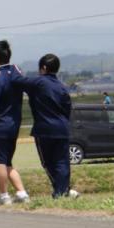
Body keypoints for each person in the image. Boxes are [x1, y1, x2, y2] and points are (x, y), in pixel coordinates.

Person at [16, 53, 76, 199]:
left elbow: (17, 81)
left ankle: (60, 192)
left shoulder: (38, 83)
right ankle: (63, 191)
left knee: (48, 162)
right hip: (62, 129)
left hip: (44, 130)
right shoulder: (62, 87)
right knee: (62, 163)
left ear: (43, 68)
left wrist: (12, 70)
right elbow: (68, 109)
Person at [0, 39, 30, 206]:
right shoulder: (16, 72)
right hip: (14, 123)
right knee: (7, 160)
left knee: (0, 161)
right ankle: (21, 192)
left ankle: (3, 195)